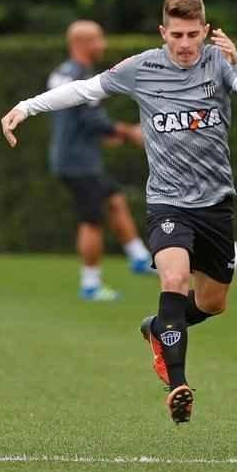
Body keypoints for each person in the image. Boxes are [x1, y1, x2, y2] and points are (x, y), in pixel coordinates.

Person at [1, 0, 237, 423]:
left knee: (213, 302)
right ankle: (178, 385)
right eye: (177, 35)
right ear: (163, 32)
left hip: (216, 202)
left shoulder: (219, 63)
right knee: (174, 278)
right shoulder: (141, 68)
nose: (185, 44)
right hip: (167, 201)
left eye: (193, 34)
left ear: (205, 31)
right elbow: (84, 89)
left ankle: (157, 328)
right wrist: (25, 107)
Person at [48, 20, 152, 301]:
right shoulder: (80, 75)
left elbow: (73, 117)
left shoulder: (62, 72)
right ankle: (91, 285)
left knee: (114, 198)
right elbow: (90, 118)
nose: (102, 45)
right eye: (98, 39)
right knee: (91, 220)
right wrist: (127, 132)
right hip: (78, 163)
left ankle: (139, 257)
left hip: (72, 157)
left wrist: (105, 134)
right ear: (81, 44)